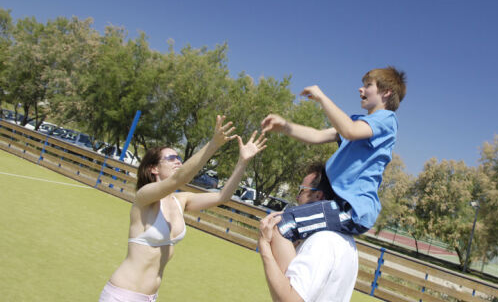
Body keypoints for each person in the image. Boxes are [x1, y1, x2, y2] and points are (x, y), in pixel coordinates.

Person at [99, 115, 267, 302]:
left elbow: (222, 196)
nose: (178, 161)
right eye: (171, 158)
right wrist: (213, 144)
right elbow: (179, 179)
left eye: (178, 157)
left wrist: (243, 161)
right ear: (154, 169)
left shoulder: (182, 200)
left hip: (149, 297)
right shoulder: (144, 197)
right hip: (123, 295)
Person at [261, 66, 406, 271]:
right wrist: (285, 126)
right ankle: (296, 285)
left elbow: (349, 131)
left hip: (353, 209)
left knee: (284, 225)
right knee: (288, 228)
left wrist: (321, 97)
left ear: (386, 92)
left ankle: (292, 292)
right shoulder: (357, 120)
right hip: (336, 203)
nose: (360, 89)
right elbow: (317, 136)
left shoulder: (387, 120)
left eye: (367, 85)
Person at [259, 163, 359, 302]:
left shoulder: (322, 242)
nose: (297, 197)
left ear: (318, 196)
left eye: (301, 191)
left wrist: (264, 246)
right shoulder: (347, 241)